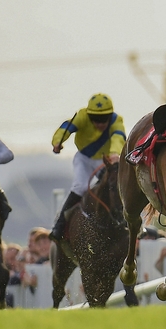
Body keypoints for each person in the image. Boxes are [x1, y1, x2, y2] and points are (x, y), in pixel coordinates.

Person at [50, 93, 126, 242]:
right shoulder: (82, 116)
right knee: (79, 187)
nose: (100, 123)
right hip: (84, 159)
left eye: (104, 119)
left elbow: (119, 137)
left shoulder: (117, 120)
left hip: (106, 160)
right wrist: (57, 141)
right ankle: (59, 225)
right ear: (89, 116)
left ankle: (129, 221)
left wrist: (115, 154)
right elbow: (66, 127)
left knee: (116, 186)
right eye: (95, 119)